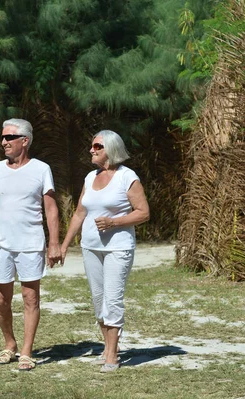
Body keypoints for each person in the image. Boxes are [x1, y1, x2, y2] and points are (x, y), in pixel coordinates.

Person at [61, 130, 149, 373]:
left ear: (111, 148)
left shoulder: (127, 177)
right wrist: (64, 244)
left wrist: (114, 222)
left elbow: (143, 212)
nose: (92, 150)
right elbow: (80, 213)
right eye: (92, 146)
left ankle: (112, 354)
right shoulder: (90, 178)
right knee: (99, 300)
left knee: (112, 299)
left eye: (97, 146)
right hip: (90, 247)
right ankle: (108, 347)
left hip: (118, 248)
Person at [0, 118, 62, 371]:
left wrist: (54, 243)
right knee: (0, 300)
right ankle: (10, 344)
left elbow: (51, 208)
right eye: (3, 137)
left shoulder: (41, 169)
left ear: (24, 141)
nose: (3, 142)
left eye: (9, 137)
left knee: (30, 298)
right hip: (1, 244)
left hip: (30, 243)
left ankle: (26, 352)